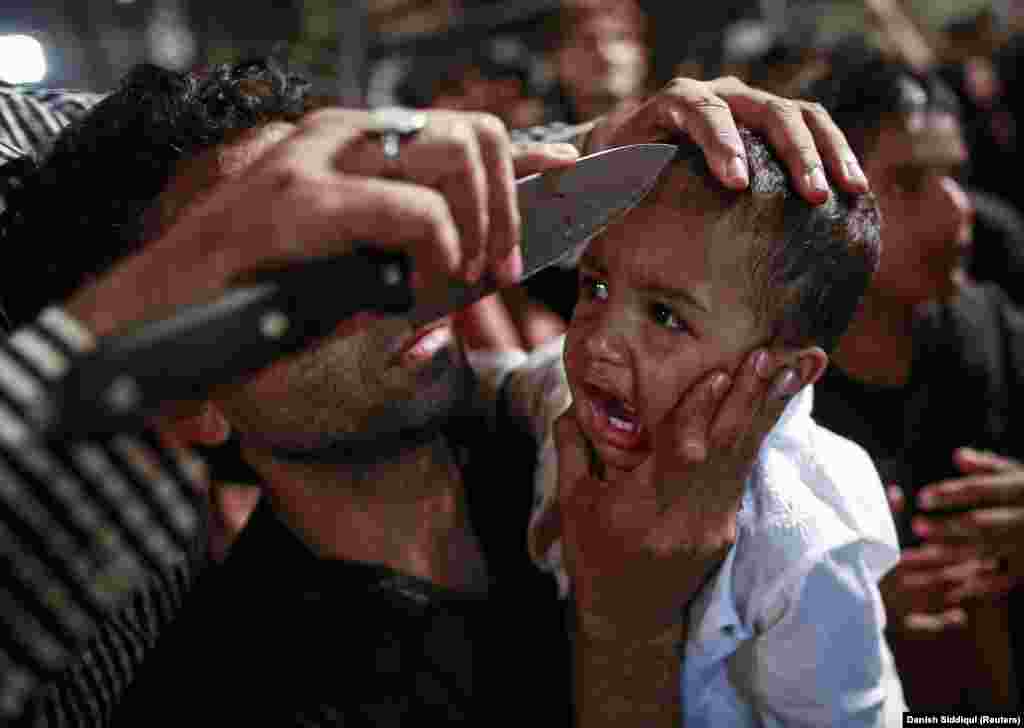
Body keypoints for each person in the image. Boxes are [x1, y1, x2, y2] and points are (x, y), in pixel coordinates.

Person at [1, 58, 868, 725]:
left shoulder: (597, 426)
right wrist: (629, 632)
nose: (398, 275)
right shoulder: (234, 691)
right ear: (189, 401)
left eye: (368, 213)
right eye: (293, 269)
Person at [469, 126, 902, 726]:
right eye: (595, 286)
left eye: (666, 317)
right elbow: (496, 387)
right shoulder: (572, 396)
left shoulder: (796, 549)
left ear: (784, 375)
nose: (599, 341)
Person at [808, 54, 1024, 711]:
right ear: (825, 199)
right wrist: (838, 613)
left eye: (955, 174)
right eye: (907, 182)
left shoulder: (988, 328)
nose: (956, 208)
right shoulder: (776, 387)